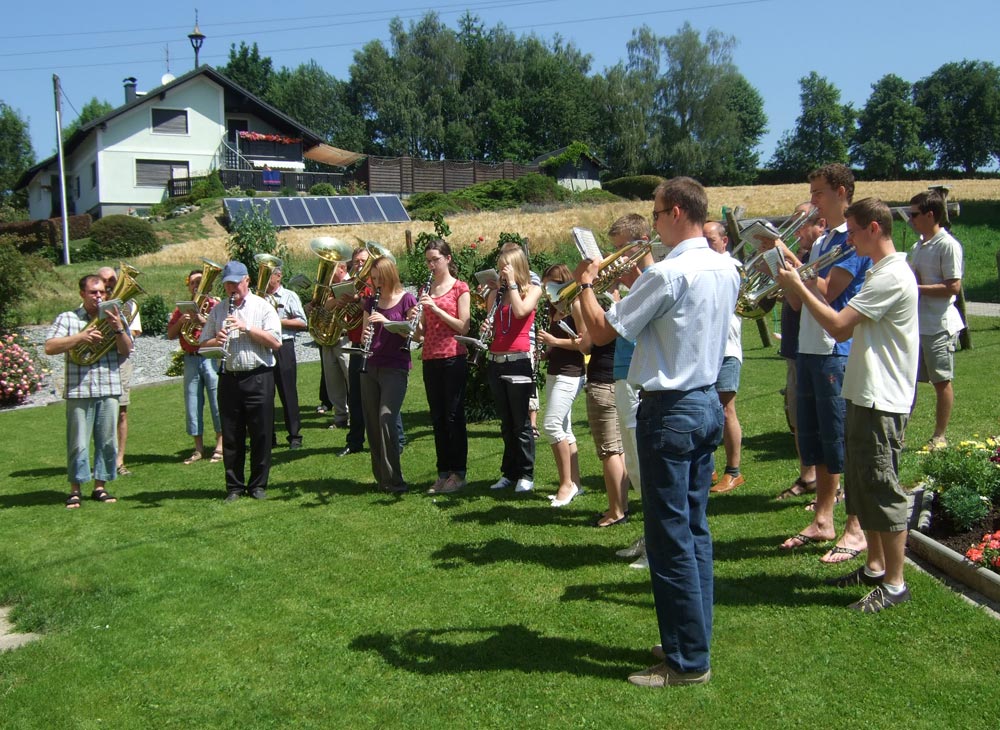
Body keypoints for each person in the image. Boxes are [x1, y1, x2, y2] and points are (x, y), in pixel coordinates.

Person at [573, 177, 740, 687]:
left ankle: (687, 662)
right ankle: (690, 638)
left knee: (669, 539)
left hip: (670, 410)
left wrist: (586, 283)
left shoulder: (669, 273)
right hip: (707, 402)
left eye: (656, 213)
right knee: (694, 530)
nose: (652, 224)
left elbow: (601, 332)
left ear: (674, 213)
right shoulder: (726, 266)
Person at [776, 197, 918, 612]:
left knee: (881, 485)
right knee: (860, 484)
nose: (848, 240)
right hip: (863, 392)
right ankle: (874, 567)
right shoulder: (878, 270)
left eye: (853, 232)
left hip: (882, 397)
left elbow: (838, 328)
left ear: (874, 229)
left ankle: (894, 583)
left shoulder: (891, 275)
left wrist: (799, 285)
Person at [772, 164, 871, 565]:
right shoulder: (822, 241)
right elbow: (798, 301)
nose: (812, 201)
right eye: (811, 192)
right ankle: (823, 519)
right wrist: (783, 268)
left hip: (835, 350)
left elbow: (829, 293)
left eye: (819, 193)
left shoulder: (850, 240)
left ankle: (856, 528)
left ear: (842, 192)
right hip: (810, 348)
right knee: (817, 443)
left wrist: (799, 273)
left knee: (839, 441)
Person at [45, 274, 133, 508]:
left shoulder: (115, 317)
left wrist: (117, 329)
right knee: (78, 443)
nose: (98, 296)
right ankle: (75, 489)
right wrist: (81, 337)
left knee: (107, 442)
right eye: (93, 292)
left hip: (109, 387)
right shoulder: (68, 318)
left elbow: (127, 350)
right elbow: (50, 346)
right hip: (79, 389)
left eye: (102, 292)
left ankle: (100, 488)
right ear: (82, 293)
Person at [199, 261, 282, 502]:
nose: (232, 288)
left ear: (247, 280)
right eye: (228, 284)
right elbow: (202, 345)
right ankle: (234, 487)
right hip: (229, 378)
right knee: (232, 435)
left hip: (258, 376)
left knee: (261, 434)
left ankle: (258, 485)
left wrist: (246, 328)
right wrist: (217, 339)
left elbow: (275, 342)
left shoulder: (263, 307)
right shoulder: (218, 310)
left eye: (236, 283)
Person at [608, 214, 654, 565]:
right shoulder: (638, 282)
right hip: (624, 373)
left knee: (643, 461)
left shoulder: (652, 280)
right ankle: (651, 534)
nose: (616, 257)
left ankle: (659, 544)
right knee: (636, 464)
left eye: (621, 248)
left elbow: (619, 329)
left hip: (639, 376)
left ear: (640, 244)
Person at [907, 190, 964, 450]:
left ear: (931, 215)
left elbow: (953, 287)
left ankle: (939, 436)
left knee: (941, 381)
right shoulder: (917, 246)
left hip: (938, 324)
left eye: (914, 214)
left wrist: (915, 288)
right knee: (908, 381)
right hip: (915, 325)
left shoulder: (948, 245)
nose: (910, 219)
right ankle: (899, 434)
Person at [775, 203, 825, 502]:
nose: (795, 232)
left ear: (819, 225)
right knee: (798, 417)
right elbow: (795, 302)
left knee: (819, 420)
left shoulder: (817, 256)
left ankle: (830, 485)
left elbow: (819, 295)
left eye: (800, 225)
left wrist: (787, 256)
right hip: (795, 343)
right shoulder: (805, 257)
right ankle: (807, 475)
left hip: (814, 345)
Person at [359, 256, 417, 493]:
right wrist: (364, 337)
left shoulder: (406, 300)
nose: (375, 283)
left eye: (379, 278)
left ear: (389, 275)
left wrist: (387, 322)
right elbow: (365, 331)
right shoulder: (370, 302)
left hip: (395, 366)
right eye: (373, 279)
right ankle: (381, 478)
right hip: (370, 366)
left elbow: (415, 335)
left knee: (386, 418)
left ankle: (395, 479)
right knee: (372, 423)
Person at [487, 246, 542, 493]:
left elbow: (521, 311)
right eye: (499, 269)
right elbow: (493, 322)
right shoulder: (499, 294)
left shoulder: (532, 289)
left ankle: (526, 473)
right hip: (497, 359)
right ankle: (509, 473)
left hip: (519, 360)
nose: (501, 273)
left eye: (504, 269)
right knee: (506, 423)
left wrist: (511, 285)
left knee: (521, 422)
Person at [419, 239, 472, 494]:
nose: (431, 265)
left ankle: (458, 473)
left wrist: (436, 309)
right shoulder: (426, 289)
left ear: (448, 259)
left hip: (453, 355)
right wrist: (415, 319)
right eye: (428, 260)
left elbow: (464, 326)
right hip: (430, 356)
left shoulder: (460, 287)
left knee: (453, 416)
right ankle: (442, 472)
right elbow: (422, 332)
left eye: (435, 260)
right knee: (438, 418)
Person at [538, 264, 587, 506]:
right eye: (547, 283)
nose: (549, 288)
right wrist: (546, 351)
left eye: (554, 282)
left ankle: (566, 484)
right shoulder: (552, 305)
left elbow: (584, 343)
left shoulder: (575, 303)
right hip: (555, 370)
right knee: (565, 428)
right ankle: (575, 483)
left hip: (572, 372)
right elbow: (556, 342)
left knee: (551, 424)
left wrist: (553, 340)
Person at [703, 222, 745, 495]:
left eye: (711, 240)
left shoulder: (732, 268)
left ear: (725, 241)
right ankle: (709, 468)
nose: (706, 245)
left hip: (726, 349)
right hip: (705, 349)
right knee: (706, 409)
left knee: (726, 409)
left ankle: (734, 471)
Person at [166, 269, 223, 464]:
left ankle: (220, 445)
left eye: (200, 281)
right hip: (190, 358)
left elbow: (223, 330)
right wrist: (182, 321)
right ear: (188, 286)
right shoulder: (182, 309)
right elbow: (171, 334)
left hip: (209, 356)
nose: (196, 285)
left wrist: (203, 321)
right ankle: (198, 449)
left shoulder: (215, 305)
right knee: (192, 403)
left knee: (217, 401)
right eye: (193, 283)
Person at [97, 266, 141, 476]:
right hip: (97, 361)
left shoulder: (128, 304)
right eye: (103, 280)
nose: (108, 284)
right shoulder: (89, 306)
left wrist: (118, 327)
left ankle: (119, 461)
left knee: (121, 412)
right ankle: (101, 459)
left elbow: (134, 333)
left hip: (120, 360)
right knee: (98, 413)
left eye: (112, 280)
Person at [266, 265, 308, 450]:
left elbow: (302, 322)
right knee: (265, 394)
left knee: (287, 392)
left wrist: (276, 320)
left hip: (284, 345)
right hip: (263, 346)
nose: (265, 280)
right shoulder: (258, 298)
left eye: (268, 275)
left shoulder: (289, 296)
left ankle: (295, 435)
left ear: (278, 276)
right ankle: (268, 437)